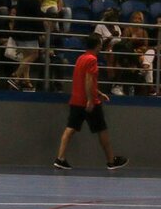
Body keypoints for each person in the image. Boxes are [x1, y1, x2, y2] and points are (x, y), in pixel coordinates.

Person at [53, 34, 128, 171]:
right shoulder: (92, 60)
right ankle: (111, 161)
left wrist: (99, 93)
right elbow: (88, 81)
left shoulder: (81, 58)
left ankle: (60, 158)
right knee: (102, 130)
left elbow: (85, 81)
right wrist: (90, 100)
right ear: (98, 45)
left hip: (76, 100)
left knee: (70, 129)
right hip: (89, 102)